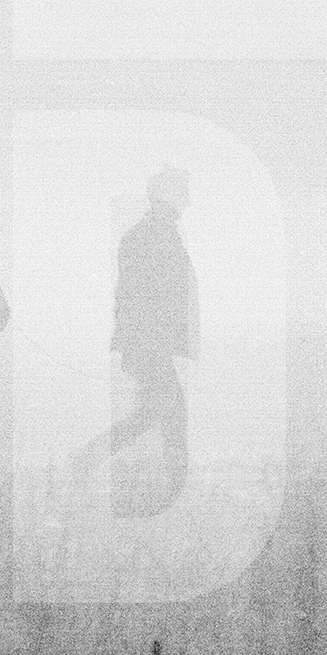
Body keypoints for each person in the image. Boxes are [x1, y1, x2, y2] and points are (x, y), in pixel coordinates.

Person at [71, 167, 198, 500]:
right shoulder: (152, 236)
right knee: (171, 410)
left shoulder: (154, 234)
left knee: (156, 412)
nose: (186, 204)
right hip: (148, 345)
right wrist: (151, 341)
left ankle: (87, 460)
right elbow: (140, 295)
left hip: (147, 345)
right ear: (167, 198)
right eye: (182, 197)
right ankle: (175, 489)